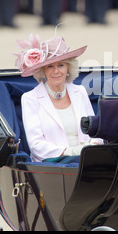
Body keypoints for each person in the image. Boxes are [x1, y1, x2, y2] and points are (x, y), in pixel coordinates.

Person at [16, 33, 103, 162]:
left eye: (61, 65)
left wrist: (93, 147)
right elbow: (36, 146)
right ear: (42, 71)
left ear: (68, 68)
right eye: (50, 66)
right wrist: (72, 152)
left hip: (87, 161)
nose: (56, 71)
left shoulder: (79, 91)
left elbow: (95, 131)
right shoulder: (30, 98)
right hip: (53, 164)